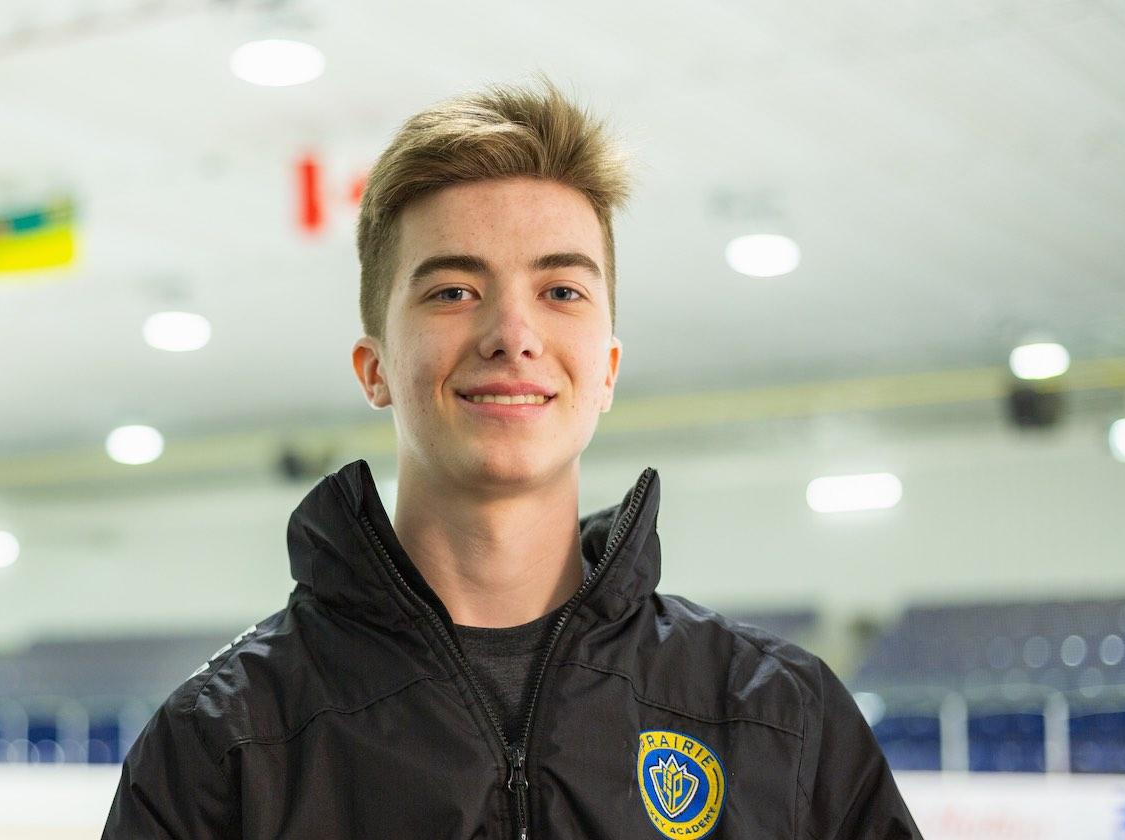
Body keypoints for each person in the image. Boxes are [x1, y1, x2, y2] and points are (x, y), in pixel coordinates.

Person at [102, 76, 920, 839]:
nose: (512, 335)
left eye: (561, 291)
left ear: (606, 369)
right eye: (453, 291)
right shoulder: (223, 746)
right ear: (375, 366)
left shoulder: (784, 719)